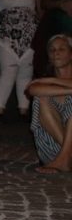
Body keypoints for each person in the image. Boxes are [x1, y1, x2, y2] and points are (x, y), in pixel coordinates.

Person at [27, 34, 72, 173]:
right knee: (41, 98)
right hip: (53, 151)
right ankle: (65, 157)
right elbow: (33, 89)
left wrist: (52, 81)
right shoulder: (45, 80)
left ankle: (66, 157)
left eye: (61, 49)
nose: (56, 52)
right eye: (52, 50)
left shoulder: (47, 81)